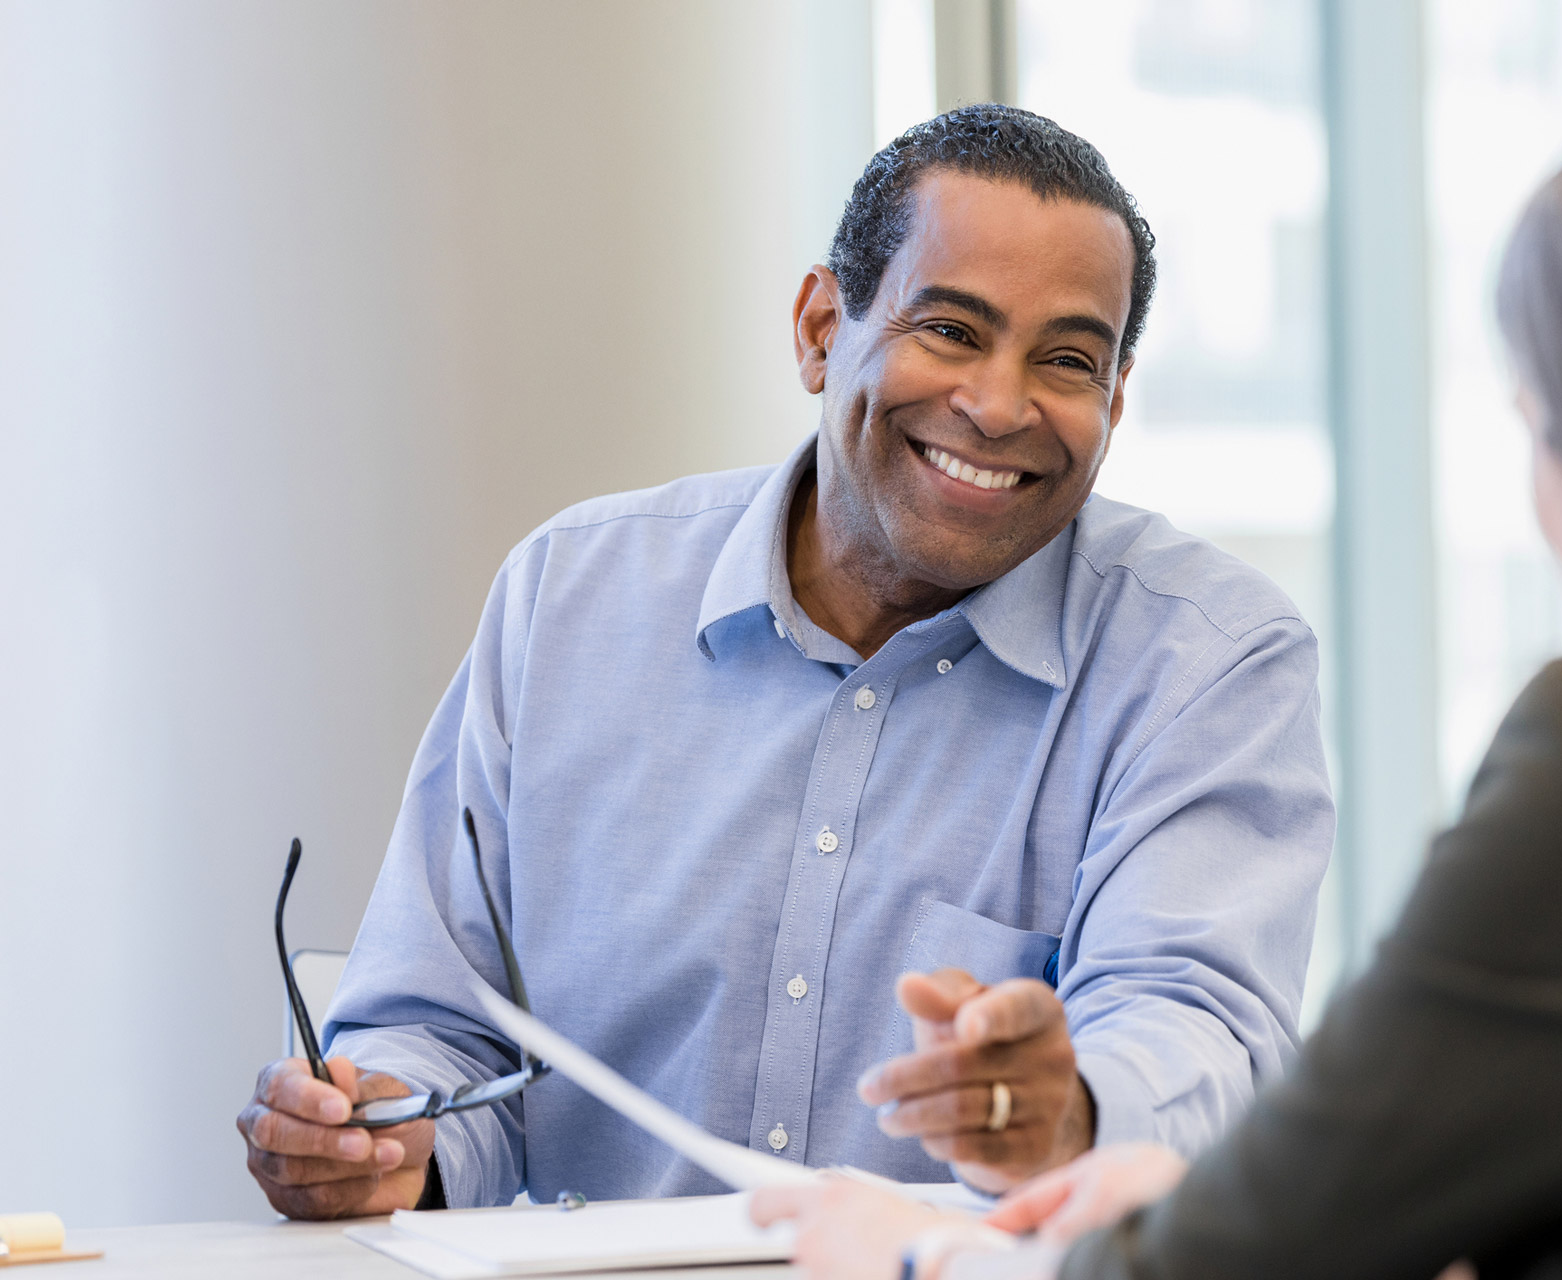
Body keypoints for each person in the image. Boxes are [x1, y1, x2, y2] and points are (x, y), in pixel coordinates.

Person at [753, 100, 1562, 1278]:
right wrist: (1206, 1199)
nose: (997, 405)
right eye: (952, 330)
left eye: (1537, 426)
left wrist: (923, 1256)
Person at [233, 104, 1335, 1219]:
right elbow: (438, 1028)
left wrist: (1076, 1108)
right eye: (951, 330)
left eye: (1066, 360)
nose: (1000, 406)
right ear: (819, 326)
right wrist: (377, 1133)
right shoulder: (568, 596)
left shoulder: (1210, 660)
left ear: (1115, 399)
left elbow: (1194, 1029)